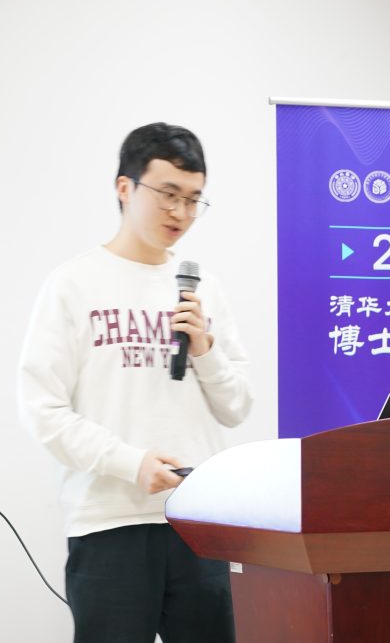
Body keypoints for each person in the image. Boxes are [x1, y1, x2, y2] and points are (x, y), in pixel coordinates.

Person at [18, 122, 253, 642]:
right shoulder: (73, 284)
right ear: (125, 187)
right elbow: (42, 410)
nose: (181, 213)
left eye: (193, 199)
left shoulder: (204, 288)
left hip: (198, 522)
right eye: (168, 194)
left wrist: (205, 350)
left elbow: (237, 406)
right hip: (109, 524)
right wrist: (131, 462)